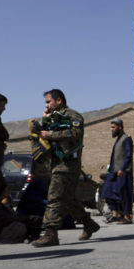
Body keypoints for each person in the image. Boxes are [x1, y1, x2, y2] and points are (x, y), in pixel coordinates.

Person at [31, 89, 100, 247]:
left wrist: (51, 135)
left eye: (49, 102)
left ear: (59, 101)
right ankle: (89, 223)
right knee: (68, 200)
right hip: (55, 164)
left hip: (67, 165)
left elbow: (75, 133)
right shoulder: (52, 118)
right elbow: (45, 134)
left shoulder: (73, 116)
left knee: (54, 198)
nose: (47, 105)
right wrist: (44, 121)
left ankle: (50, 233)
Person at [101, 119, 134, 224]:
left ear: (120, 127)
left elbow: (128, 156)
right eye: (111, 127)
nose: (111, 130)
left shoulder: (126, 139)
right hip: (113, 172)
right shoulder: (118, 139)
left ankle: (127, 216)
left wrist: (122, 168)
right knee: (107, 192)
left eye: (113, 127)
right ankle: (116, 214)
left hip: (122, 172)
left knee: (124, 194)